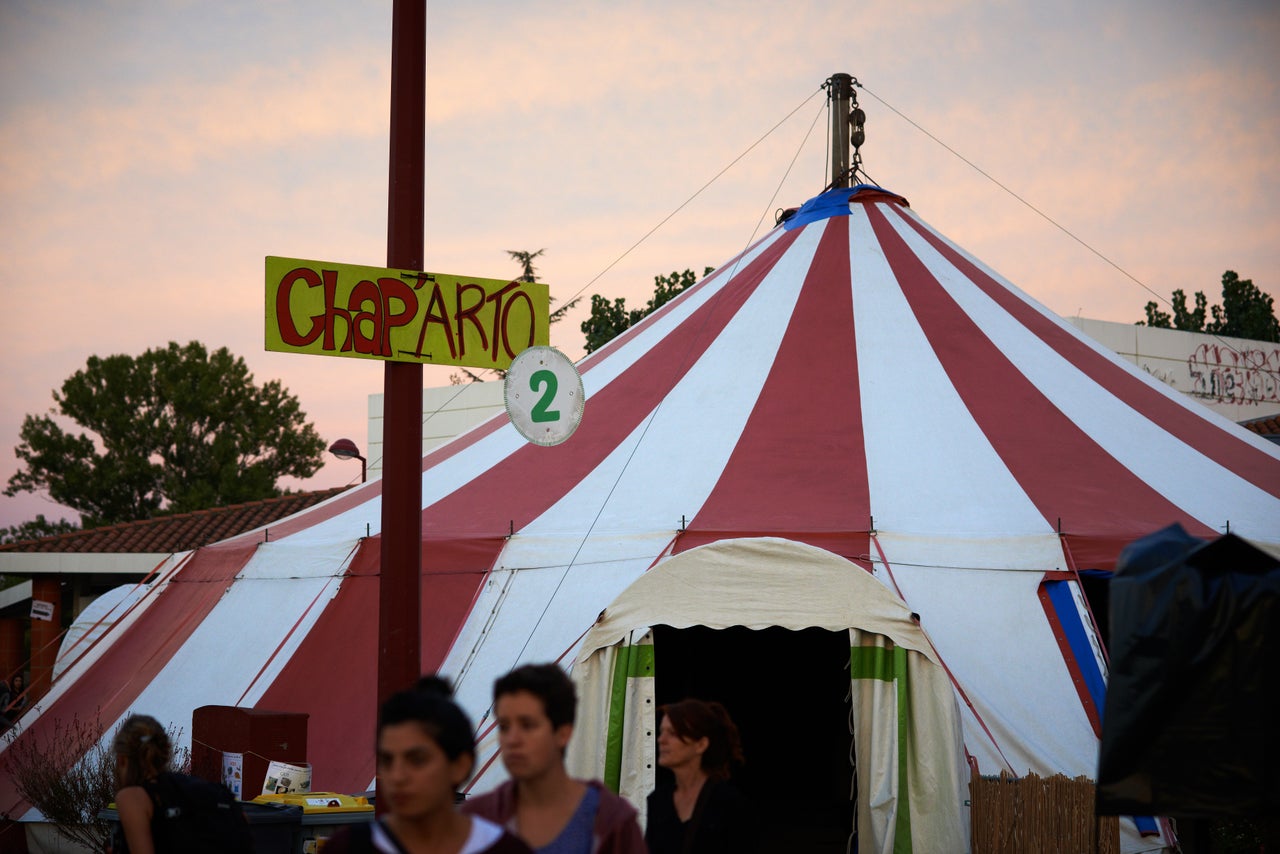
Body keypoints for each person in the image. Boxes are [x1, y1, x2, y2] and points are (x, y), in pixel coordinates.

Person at [326, 675, 532, 854]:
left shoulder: (504, 849)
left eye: (417, 760)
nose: (397, 776)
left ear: (459, 766)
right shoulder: (347, 848)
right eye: (387, 761)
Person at [461, 663, 646, 854]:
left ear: (563, 734)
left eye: (527, 725)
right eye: (504, 726)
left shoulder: (612, 822)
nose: (512, 740)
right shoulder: (476, 820)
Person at [645, 698, 753, 854]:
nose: (661, 740)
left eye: (673, 733)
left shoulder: (729, 804)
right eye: (662, 732)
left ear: (701, 744)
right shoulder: (657, 801)